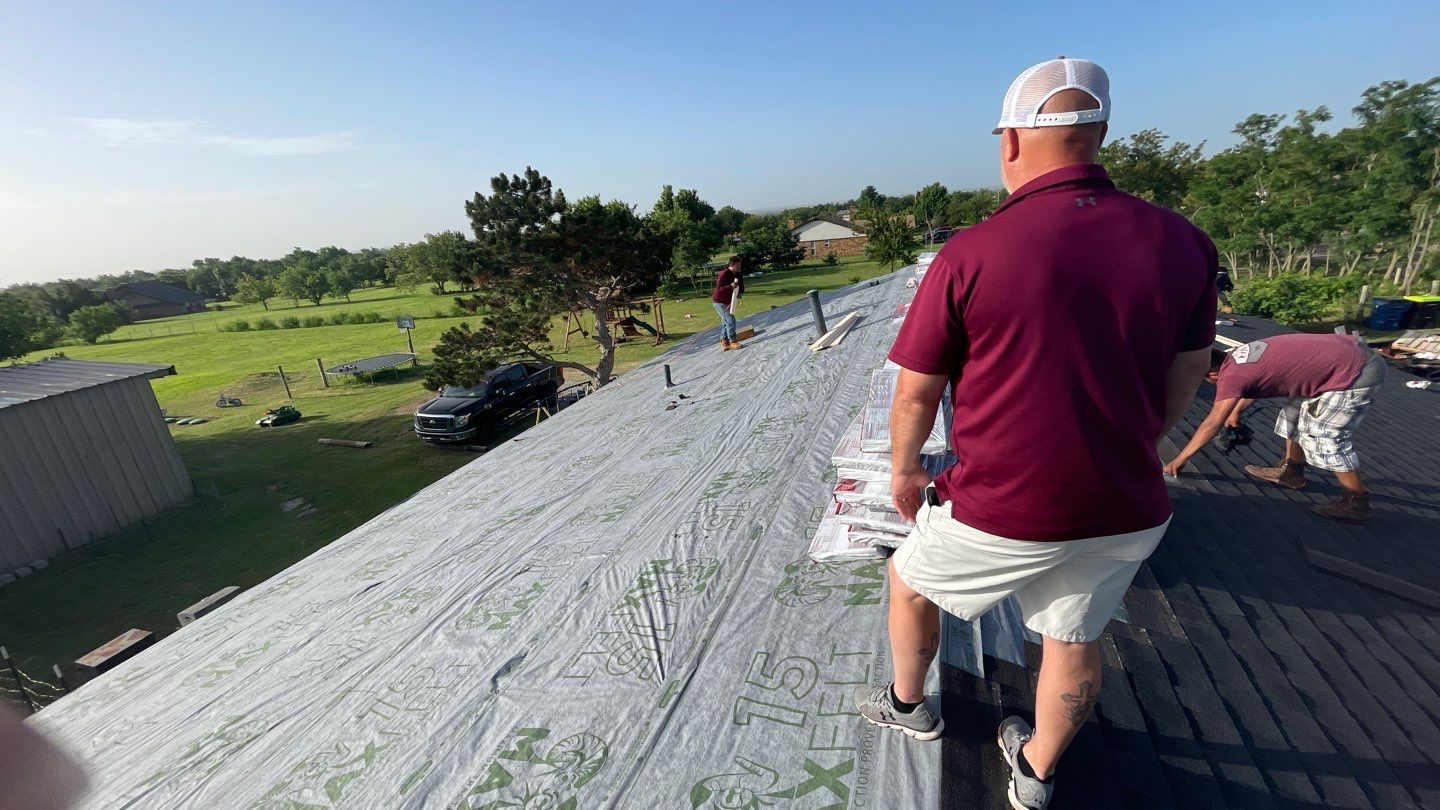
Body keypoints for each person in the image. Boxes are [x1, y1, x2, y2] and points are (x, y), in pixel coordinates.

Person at [852, 57, 1217, 810]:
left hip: (1008, 507)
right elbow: (1189, 369)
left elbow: (917, 390)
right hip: (1129, 505)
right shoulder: (1184, 242)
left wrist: (905, 470)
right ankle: (1036, 773)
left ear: (1011, 141)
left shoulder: (974, 251)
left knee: (909, 581)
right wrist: (1138, 439)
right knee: (1074, 637)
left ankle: (909, 705)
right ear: (1101, 135)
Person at [1164, 333, 1385, 523]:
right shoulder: (1236, 356)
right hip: (1342, 359)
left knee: (1322, 436)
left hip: (1356, 372)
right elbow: (1256, 381)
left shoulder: (1232, 376)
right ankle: (1292, 472)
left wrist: (1181, 458)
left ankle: (1357, 502)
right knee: (1292, 418)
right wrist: (1236, 411)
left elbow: (1212, 422)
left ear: (1213, 373)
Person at [712, 256, 745, 351]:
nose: (739, 267)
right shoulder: (724, 274)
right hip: (719, 302)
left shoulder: (738, 274)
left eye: (740, 265)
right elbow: (719, 289)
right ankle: (732, 341)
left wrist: (740, 293)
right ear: (731, 265)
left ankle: (725, 342)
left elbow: (741, 285)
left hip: (729, 301)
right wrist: (730, 286)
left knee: (725, 321)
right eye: (738, 265)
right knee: (730, 320)